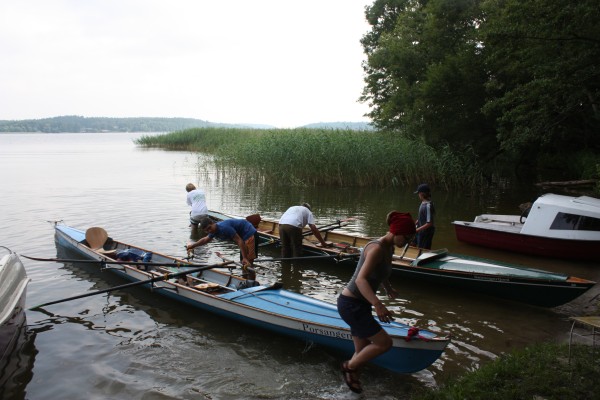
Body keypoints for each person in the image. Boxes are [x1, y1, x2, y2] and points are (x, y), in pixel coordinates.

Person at [336, 211, 415, 394]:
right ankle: (348, 366)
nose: (408, 242)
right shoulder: (377, 248)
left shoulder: (389, 248)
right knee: (384, 343)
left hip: (360, 305)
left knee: (362, 352)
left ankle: (349, 383)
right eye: (407, 237)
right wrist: (378, 304)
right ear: (397, 231)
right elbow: (361, 280)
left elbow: (380, 272)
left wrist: (388, 288)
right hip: (351, 304)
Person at [187, 216, 258, 280]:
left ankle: (252, 284)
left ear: (212, 223)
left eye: (209, 228)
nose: (209, 231)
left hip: (249, 233)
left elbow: (239, 240)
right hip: (243, 236)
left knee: (248, 263)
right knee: (244, 263)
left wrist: (245, 257)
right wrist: (193, 246)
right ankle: (245, 281)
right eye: (207, 230)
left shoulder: (224, 228)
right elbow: (205, 239)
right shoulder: (213, 230)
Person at [414, 183, 435, 249]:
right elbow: (422, 216)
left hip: (426, 232)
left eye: (418, 193)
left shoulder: (428, 206)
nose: (418, 195)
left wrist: (417, 230)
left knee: (423, 248)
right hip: (420, 229)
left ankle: (422, 257)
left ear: (422, 194)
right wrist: (417, 222)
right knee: (413, 242)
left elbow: (429, 223)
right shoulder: (423, 202)